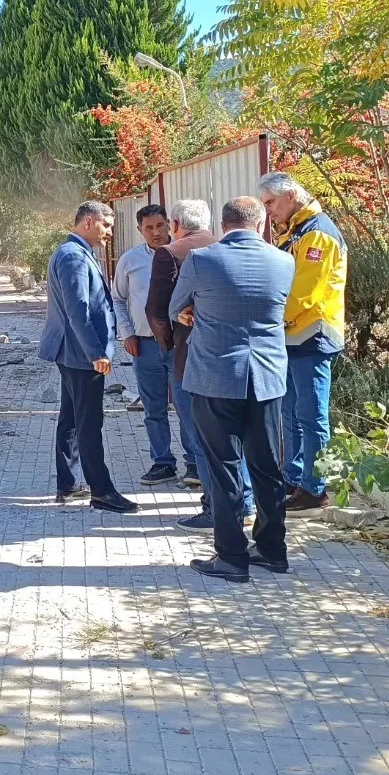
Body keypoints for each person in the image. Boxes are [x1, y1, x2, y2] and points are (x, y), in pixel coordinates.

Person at [170, 196, 295, 583]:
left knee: (223, 467)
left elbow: (176, 307)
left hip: (215, 376)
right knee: (267, 467)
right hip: (267, 378)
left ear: (223, 225)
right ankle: (273, 550)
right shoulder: (283, 261)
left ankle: (231, 557)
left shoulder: (201, 260)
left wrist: (191, 312)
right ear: (262, 225)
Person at [145, 199, 254, 530]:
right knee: (234, 437)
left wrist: (168, 345)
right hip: (233, 357)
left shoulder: (170, 253)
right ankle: (245, 501)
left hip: (188, 357)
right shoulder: (225, 249)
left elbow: (157, 310)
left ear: (176, 223)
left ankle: (214, 507)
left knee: (202, 437)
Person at [37, 200, 137, 514]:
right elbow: (78, 311)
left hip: (73, 351)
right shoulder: (73, 256)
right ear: (89, 222)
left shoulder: (75, 252)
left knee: (71, 418)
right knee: (89, 422)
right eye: (106, 225)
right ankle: (102, 492)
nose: (109, 232)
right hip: (80, 354)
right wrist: (96, 353)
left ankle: (67, 485)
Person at [258, 171, 348, 513]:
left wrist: (270, 321)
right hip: (294, 335)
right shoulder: (296, 230)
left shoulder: (317, 233)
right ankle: (295, 479)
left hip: (313, 335)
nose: (268, 210)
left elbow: (304, 293)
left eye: (271, 202)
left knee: (311, 416)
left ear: (291, 195)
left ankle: (315, 488)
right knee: (292, 413)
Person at [113, 204, 180, 485]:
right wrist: (127, 333)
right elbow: (117, 298)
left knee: (188, 407)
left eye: (160, 225)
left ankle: (195, 464)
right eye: (149, 228)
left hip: (179, 345)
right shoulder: (130, 260)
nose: (156, 232)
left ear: (170, 224)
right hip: (145, 346)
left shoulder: (184, 254)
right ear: (140, 230)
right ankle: (163, 463)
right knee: (154, 409)